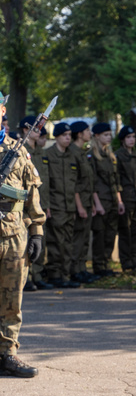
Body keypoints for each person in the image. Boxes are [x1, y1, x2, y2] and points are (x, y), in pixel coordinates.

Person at [0, 92, 47, 377]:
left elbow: (31, 193)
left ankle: (7, 354)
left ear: (2, 110)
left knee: (11, 300)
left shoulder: (17, 150)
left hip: (14, 238)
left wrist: (37, 231)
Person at [42, 123, 81, 288]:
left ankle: (65, 274)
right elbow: (46, 183)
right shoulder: (48, 155)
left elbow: (75, 183)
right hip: (56, 205)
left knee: (67, 242)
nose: (67, 138)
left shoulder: (71, 156)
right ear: (56, 136)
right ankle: (55, 274)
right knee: (55, 241)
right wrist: (47, 205)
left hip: (69, 206)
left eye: (69, 135)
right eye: (64, 134)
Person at [20, 116, 52, 292]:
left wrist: (46, 205)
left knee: (40, 240)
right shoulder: (19, 150)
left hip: (40, 203)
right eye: (35, 127)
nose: (39, 130)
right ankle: (27, 277)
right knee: (26, 242)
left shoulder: (40, 153)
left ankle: (38, 275)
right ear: (25, 130)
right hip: (23, 205)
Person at [89, 123, 125, 276]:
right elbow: (92, 182)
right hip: (101, 200)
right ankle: (98, 266)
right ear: (97, 136)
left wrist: (119, 201)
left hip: (112, 200)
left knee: (110, 235)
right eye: (105, 134)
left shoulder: (110, 155)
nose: (109, 137)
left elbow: (115, 180)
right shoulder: (91, 155)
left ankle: (106, 264)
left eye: (110, 134)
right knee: (100, 235)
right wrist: (97, 204)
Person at [70, 121, 102, 284]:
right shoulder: (73, 153)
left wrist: (93, 203)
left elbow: (89, 181)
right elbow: (74, 182)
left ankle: (82, 269)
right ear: (79, 134)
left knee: (84, 238)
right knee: (78, 238)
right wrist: (80, 206)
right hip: (79, 202)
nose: (89, 133)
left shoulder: (83, 152)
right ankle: (75, 270)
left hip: (87, 201)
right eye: (87, 131)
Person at [115, 126, 136, 272]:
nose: (131, 140)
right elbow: (117, 180)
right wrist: (119, 200)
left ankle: (133, 259)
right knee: (125, 231)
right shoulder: (118, 156)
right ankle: (125, 261)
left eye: (133, 137)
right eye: (128, 137)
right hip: (126, 197)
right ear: (123, 139)